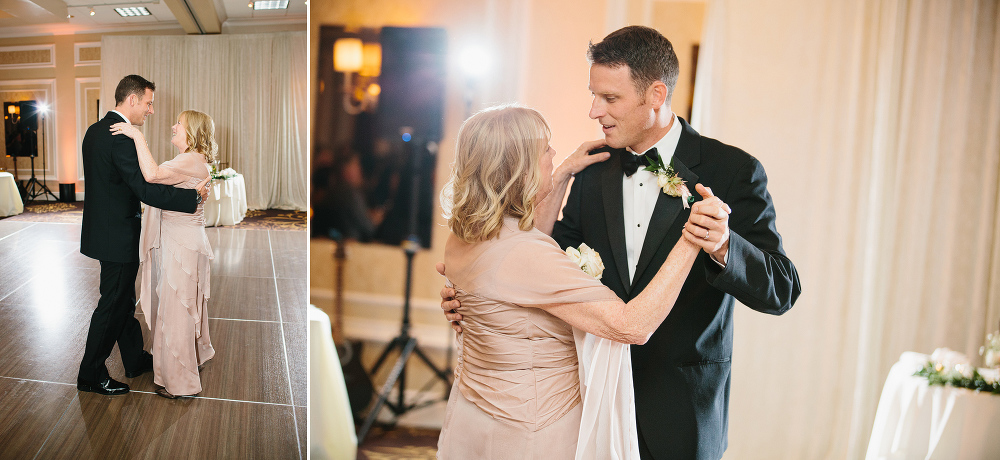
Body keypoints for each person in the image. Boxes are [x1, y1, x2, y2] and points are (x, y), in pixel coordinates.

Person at [441, 26, 802, 459]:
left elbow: (781, 290)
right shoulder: (593, 171)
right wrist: (485, 298)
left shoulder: (733, 169)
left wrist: (725, 246)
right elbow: (545, 258)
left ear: (655, 94)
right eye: (593, 94)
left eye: (609, 98)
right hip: (588, 400)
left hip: (680, 409)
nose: (594, 111)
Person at [435, 104, 729, 459]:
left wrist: (561, 175)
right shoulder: (525, 257)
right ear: (520, 167)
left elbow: (523, 259)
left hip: (476, 417)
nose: (554, 154)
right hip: (534, 433)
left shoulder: (462, 238)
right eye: (545, 149)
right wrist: (691, 237)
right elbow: (633, 326)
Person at [78, 75, 208, 396]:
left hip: (103, 230)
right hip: (118, 235)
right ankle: (91, 374)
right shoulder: (121, 138)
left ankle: (134, 359)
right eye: (148, 103)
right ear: (132, 100)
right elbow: (145, 188)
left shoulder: (94, 132)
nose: (151, 111)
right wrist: (192, 198)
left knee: (121, 301)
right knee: (112, 304)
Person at [111, 110, 217, 399]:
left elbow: (152, 174)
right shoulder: (193, 160)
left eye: (179, 124)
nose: (173, 126)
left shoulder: (188, 160)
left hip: (181, 246)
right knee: (178, 309)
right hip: (182, 241)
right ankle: (179, 368)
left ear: (191, 131)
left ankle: (181, 383)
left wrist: (136, 135)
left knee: (177, 311)